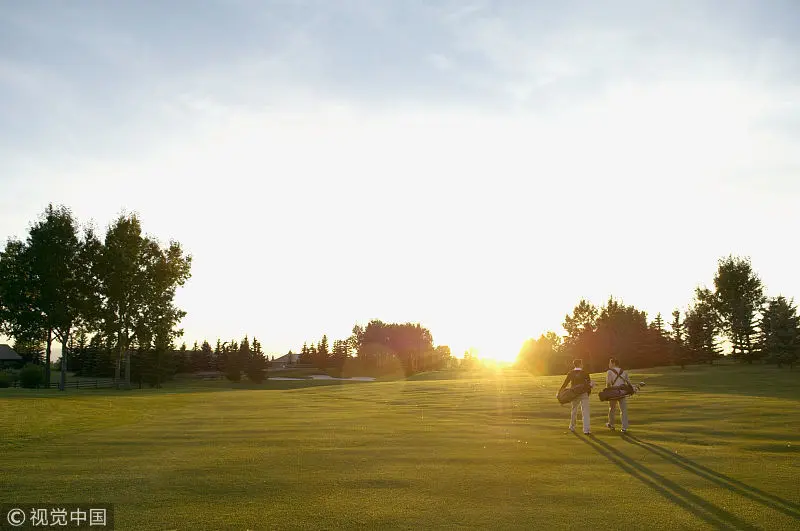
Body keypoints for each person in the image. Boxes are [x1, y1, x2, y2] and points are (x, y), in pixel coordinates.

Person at [559, 359, 593, 434]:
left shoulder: (570, 373)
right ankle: (586, 430)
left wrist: (559, 393)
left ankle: (572, 426)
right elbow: (589, 384)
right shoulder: (585, 373)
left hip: (574, 394)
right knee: (585, 412)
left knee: (574, 410)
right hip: (584, 393)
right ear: (580, 364)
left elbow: (565, 384)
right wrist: (588, 392)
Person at [605, 357, 630, 433]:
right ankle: (624, 427)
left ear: (613, 363)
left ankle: (611, 425)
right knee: (623, 410)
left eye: (610, 363)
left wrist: (607, 392)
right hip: (622, 392)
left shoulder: (609, 372)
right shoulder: (624, 372)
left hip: (613, 392)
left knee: (612, 409)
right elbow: (628, 383)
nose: (609, 364)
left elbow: (608, 383)